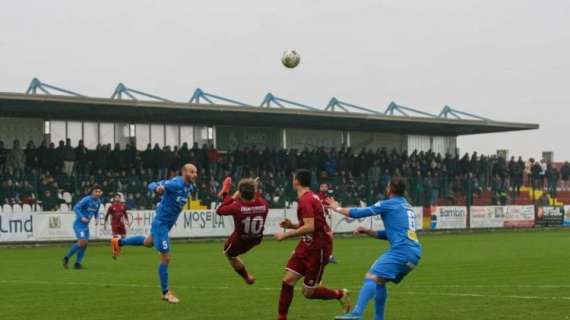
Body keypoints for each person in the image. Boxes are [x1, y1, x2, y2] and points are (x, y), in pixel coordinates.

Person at [328, 177, 422, 320]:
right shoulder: (406, 206)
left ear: (389, 189)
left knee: (371, 277)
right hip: (414, 254)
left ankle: (357, 313)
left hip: (401, 251)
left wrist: (336, 208)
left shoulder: (388, 204)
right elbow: (391, 234)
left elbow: (358, 213)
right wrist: (367, 231)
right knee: (380, 281)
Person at [111, 164, 198, 304]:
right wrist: (158, 188)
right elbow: (152, 184)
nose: (195, 174)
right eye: (192, 172)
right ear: (184, 172)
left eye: (196, 172)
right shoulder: (175, 183)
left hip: (166, 224)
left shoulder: (190, 187)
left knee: (148, 242)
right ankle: (165, 292)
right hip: (161, 224)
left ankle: (119, 242)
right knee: (166, 257)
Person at [274, 169, 351, 320]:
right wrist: (293, 226)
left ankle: (339, 294)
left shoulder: (306, 200)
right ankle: (281, 317)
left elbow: (310, 227)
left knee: (308, 293)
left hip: (318, 248)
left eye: (293, 178)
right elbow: (309, 225)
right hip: (306, 244)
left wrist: (285, 234)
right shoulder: (309, 197)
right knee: (287, 281)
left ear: (297, 181)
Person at [216, 177, 269, 285]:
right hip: (256, 238)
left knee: (229, 254)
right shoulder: (264, 204)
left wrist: (229, 195)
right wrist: (253, 186)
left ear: (240, 194)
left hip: (240, 241)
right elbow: (256, 197)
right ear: (254, 192)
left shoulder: (237, 207)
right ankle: (226, 192)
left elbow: (219, 210)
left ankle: (247, 277)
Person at [62, 185, 103, 269]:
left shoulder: (98, 201)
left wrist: (96, 218)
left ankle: (77, 263)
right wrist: (82, 217)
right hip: (79, 225)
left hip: (85, 226)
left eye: (99, 192)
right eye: (96, 191)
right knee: (82, 243)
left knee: (85, 245)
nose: (98, 193)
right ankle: (66, 258)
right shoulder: (87, 199)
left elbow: (96, 212)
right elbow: (76, 207)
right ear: (92, 192)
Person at [317, 182, 337, 264]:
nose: (324, 188)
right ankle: (328, 256)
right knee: (328, 237)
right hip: (318, 220)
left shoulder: (328, 198)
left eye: (326, 187)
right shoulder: (317, 197)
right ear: (320, 188)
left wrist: (331, 206)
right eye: (323, 187)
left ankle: (328, 256)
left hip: (324, 220)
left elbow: (334, 205)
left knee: (329, 237)